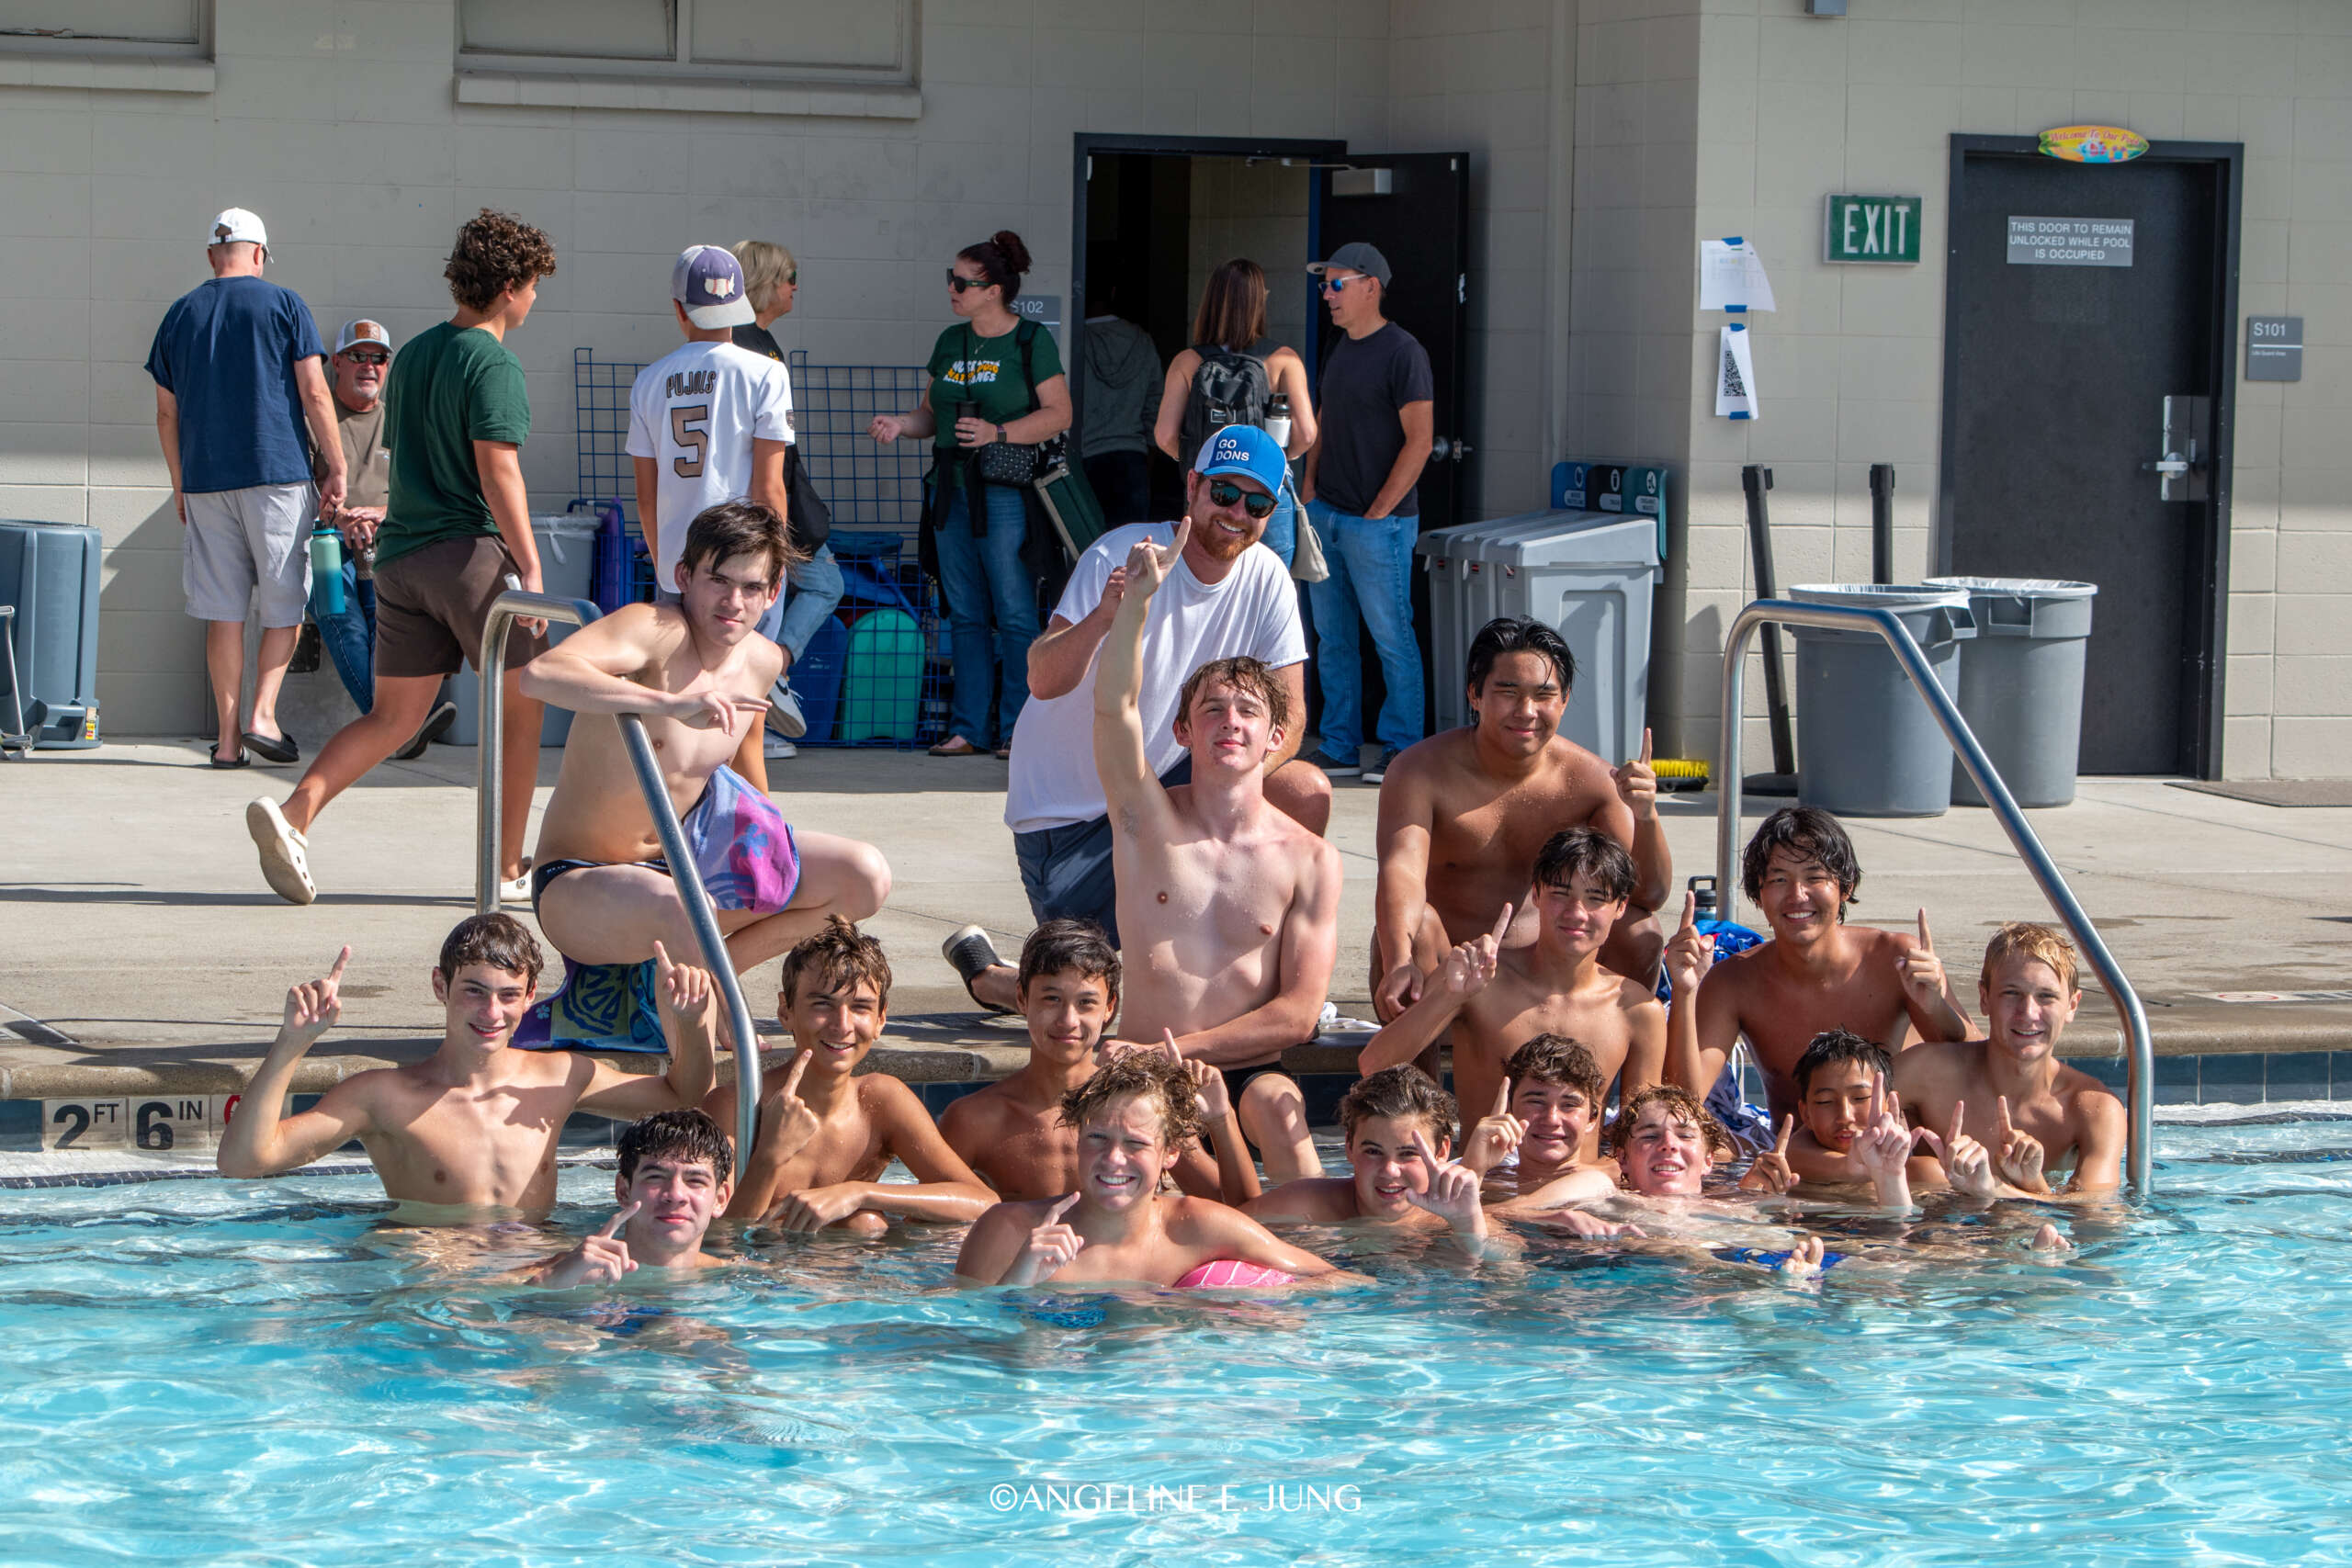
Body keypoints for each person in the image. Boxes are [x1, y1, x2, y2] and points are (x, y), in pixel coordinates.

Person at [938, 425, 1331, 1015]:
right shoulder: (1122, 555)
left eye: (1256, 504)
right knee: (1092, 1001)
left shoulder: (1266, 577)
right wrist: (1106, 614)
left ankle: (1266, 979)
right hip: (1070, 829)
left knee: (1301, 788)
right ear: (1193, 486)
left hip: (1164, 797)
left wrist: (1228, 788)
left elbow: (1292, 717)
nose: (1236, 513)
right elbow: (1042, 679)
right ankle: (1000, 980)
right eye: (1224, 493)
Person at [246, 209, 558, 907]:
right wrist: (531, 567)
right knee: (525, 702)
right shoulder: (494, 361)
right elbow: (497, 468)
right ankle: (508, 863)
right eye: (534, 286)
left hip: (400, 560)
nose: (535, 299)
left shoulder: (414, 353)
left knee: (393, 718)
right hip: (469, 555)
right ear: (509, 286)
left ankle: (294, 814)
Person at [1085, 502, 1341, 1182]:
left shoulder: (1309, 858)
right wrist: (1137, 602)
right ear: (1182, 733)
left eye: (1249, 710)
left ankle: (1316, 1270)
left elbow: (1297, 1012)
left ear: (1275, 738)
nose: (1231, 721)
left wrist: (1180, 1052)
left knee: (1283, 1107)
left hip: (1235, 1068)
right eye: (1212, 710)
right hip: (1140, 1068)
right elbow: (1114, 709)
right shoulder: (1146, 823)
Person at [520, 501, 889, 974]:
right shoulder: (654, 629)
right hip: (581, 881)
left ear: (775, 592)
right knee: (683, 908)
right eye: (718, 580)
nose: (733, 602)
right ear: (684, 574)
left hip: (683, 866)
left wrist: (767, 852)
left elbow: (746, 762)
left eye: (751, 586)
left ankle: (718, 978)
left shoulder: (762, 660)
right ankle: (712, 1016)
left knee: (864, 876)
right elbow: (541, 674)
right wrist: (666, 704)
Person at [215, 915, 718, 1213]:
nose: (491, 1013)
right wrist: (291, 1043)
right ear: (441, 987)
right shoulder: (383, 1097)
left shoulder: (560, 1077)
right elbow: (244, 1162)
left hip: (534, 1276)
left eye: (507, 996)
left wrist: (692, 1025)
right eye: (473, 992)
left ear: (530, 997)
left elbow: (685, 1098)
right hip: (434, 1281)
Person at [1373, 618, 1668, 1018]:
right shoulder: (1419, 772)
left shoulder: (1593, 781)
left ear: (1564, 700)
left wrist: (1646, 817)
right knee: (1416, 928)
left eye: (1544, 695)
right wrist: (1398, 960)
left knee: (1640, 932)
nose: (1526, 711)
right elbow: (1401, 871)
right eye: (1508, 692)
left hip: (1547, 972)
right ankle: (1416, 1081)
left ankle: (1610, 1075)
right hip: (1448, 968)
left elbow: (1645, 896)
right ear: (1475, 695)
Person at [147, 207, 345, 770]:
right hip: (278, 474)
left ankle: (229, 743)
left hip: (206, 481)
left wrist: (180, 482)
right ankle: (263, 714)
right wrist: (336, 464)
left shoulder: (179, 315)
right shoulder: (285, 304)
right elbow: (314, 393)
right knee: (283, 604)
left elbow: (166, 413)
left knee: (223, 613)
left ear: (213, 255)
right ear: (259, 254)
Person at [867, 230, 1070, 758]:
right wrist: (900, 424)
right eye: (950, 279)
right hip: (950, 491)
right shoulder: (950, 342)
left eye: (962, 282)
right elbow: (930, 415)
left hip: (1004, 491)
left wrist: (997, 434)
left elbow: (1059, 413)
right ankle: (969, 729)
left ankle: (1019, 728)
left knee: (1015, 611)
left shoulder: (1031, 341)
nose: (952, 289)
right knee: (965, 612)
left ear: (994, 289)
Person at [1360, 827, 1665, 1155]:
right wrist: (1451, 994)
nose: (1576, 913)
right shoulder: (1481, 982)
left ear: (1620, 907)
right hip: (1485, 1188)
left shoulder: (1638, 1010)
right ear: (1536, 894)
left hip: (1580, 1192)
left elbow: (1644, 1138)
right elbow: (1373, 1065)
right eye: (1560, 894)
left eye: (1595, 899)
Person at [1666, 806, 1972, 1127]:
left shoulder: (1895, 959)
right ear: (1759, 894)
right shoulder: (1735, 981)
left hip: (1893, 1153)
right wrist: (1685, 991)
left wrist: (1936, 1007)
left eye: (1815, 877)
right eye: (1780, 879)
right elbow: (1682, 1105)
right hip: (1797, 1163)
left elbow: (1980, 1068)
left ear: (1846, 887)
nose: (1797, 895)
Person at [954, 1050, 1345, 1289]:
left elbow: (1340, 1283)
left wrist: (1253, 1302)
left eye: (1136, 1144)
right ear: (1078, 1138)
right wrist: (1017, 1283)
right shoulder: (1010, 1233)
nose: (1113, 1160)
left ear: (1170, 1152)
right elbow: (955, 1343)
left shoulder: (1199, 1227)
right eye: (1098, 1139)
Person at [937, 920, 1256, 1204]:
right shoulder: (974, 1119)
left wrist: (1220, 1118)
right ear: (1022, 998)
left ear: (1109, 1008)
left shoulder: (1141, 1108)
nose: (1068, 1020)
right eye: (1051, 999)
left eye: (1086, 1003)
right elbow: (928, 1229)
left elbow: (1239, 1210)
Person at [705, 919, 995, 1229]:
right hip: (762, 1273)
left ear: (881, 1018)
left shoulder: (879, 1101)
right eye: (822, 1004)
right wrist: (770, 1155)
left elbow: (983, 1203)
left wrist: (860, 1192)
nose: (842, 1025)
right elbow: (720, 1240)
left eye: (860, 1007)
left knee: (866, 1222)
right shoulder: (736, 1107)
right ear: (785, 1009)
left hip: (857, 1271)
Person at [1297, 240, 1432, 784]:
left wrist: (1380, 510)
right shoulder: (1341, 347)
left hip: (1382, 525)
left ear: (1370, 286)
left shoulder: (1404, 352)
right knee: (1333, 638)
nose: (1326, 294)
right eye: (1323, 284)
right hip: (1327, 514)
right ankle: (1339, 743)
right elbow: (1325, 419)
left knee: (1391, 636)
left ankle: (1404, 747)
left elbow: (1419, 441)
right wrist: (1309, 485)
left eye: (1336, 283)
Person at [310, 319, 458, 759]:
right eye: (358, 356)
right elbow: (295, 493)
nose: (368, 366)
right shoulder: (315, 417)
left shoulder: (401, 420)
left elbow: (431, 490)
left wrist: (380, 514)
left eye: (378, 358)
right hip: (324, 542)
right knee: (341, 618)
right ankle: (396, 728)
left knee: (384, 622)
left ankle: (396, 728)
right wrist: (340, 517)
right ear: (336, 362)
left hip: (388, 540)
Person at [1892, 922, 2127, 1198]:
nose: (2028, 1013)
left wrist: (2022, 1185)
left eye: (2046, 997)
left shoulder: (2092, 1108)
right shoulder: (1926, 1073)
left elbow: (2095, 1216)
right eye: (2012, 994)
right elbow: (1836, 1138)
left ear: (2072, 1005)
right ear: (1984, 998)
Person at [628, 245, 793, 613]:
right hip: (745, 570)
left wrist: (665, 569)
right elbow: (769, 487)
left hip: (680, 568)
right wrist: (774, 568)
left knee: (680, 669)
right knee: (749, 668)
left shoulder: (649, 381)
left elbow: (646, 497)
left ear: (679, 309)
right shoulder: (766, 373)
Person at [730, 238, 844, 761]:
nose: (795, 286)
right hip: (769, 505)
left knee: (748, 610)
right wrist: (780, 515)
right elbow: (774, 452)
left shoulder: (738, 342)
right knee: (807, 589)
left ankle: (761, 699)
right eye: (789, 275)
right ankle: (771, 672)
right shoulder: (759, 350)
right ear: (764, 283)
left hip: (753, 503)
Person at [1152, 259, 1317, 568]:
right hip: (1266, 496)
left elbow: (1164, 435)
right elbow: (1307, 434)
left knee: (1205, 590)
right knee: (1269, 590)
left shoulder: (1187, 361)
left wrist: (1199, 463)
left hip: (1210, 495)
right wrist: (1274, 462)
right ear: (1259, 301)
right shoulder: (1283, 359)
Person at [1243, 1066, 1493, 1258]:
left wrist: (1468, 1227)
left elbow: (1509, 1271)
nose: (1389, 1170)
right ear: (1349, 1147)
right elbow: (1220, 1229)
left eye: (1408, 1154)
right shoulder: (1307, 1205)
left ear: (1442, 1152)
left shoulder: (1457, 1217)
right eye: (1373, 1152)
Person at [526, 1109, 736, 1285]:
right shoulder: (567, 1270)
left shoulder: (740, 1277)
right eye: (655, 1177)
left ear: (720, 1200)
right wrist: (549, 1282)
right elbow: (495, 1301)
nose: (675, 1195)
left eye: (695, 1181)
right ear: (623, 1191)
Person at [1459, 1034, 1622, 1214]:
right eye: (1536, 1102)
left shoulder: (1621, 1180)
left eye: (1569, 1105)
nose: (1551, 1119)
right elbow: (1429, 1221)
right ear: (1509, 1110)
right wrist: (1474, 1169)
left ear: (1592, 1119)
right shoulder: (1480, 1176)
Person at [1077, 280, 1162, 527]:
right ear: (1113, 292)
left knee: (1086, 552)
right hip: (1132, 457)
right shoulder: (1142, 340)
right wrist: (1150, 456)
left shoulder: (1073, 340)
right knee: (1130, 553)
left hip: (1085, 458)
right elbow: (1155, 403)